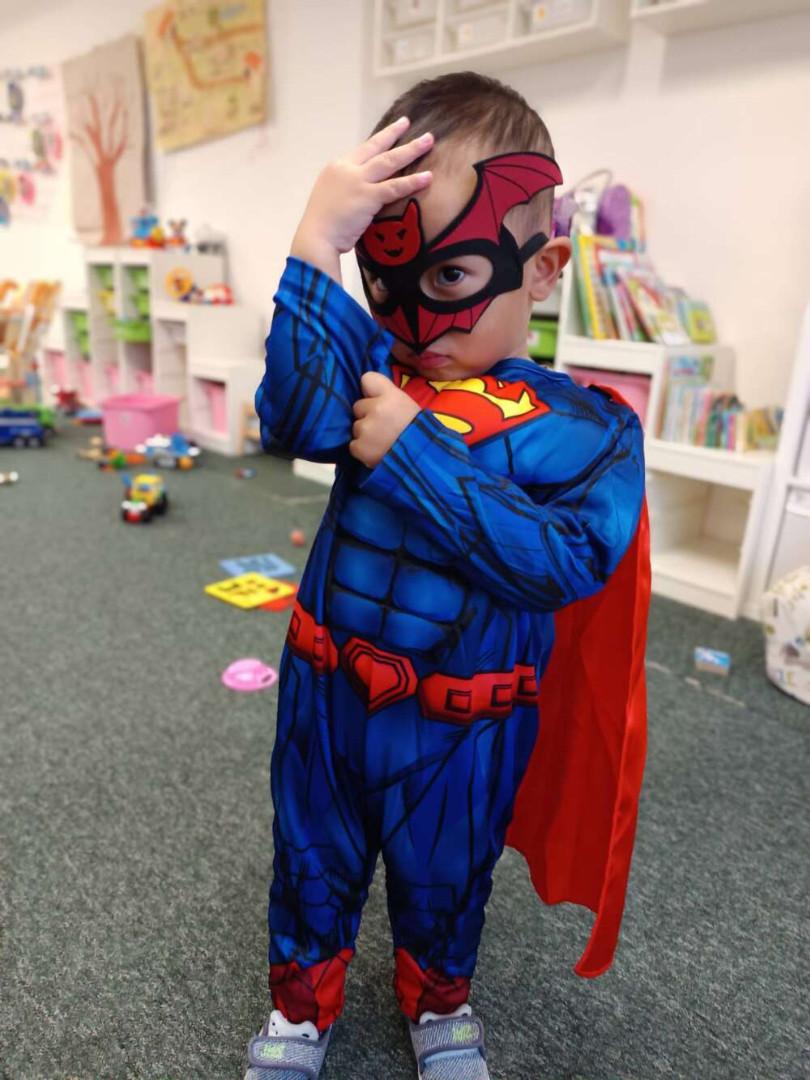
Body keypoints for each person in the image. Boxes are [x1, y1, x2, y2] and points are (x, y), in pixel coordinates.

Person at [245, 72, 648, 1080]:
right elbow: (288, 418)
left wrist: (414, 452)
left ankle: (440, 1006)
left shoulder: (587, 427)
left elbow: (562, 563)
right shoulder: (372, 367)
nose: (418, 321)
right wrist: (314, 245)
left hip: (465, 723)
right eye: (389, 282)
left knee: (447, 878)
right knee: (311, 861)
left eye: (454, 277)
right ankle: (298, 1011)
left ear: (541, 268)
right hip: (328, 693)